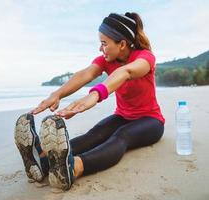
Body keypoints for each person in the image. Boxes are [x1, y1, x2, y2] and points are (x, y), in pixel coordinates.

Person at [14, 12, 165, 191]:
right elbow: (85, 74)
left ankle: (74, 168)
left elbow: (126, 72)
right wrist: (57, 94)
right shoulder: (106, 60)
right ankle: (43, 160)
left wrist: (95, 94)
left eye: (104, 43)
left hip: (151, 121)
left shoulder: (145, 57)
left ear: (122, 44)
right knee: (95, 134)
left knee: (122, 136)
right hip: (123, 115)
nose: (100, 49)